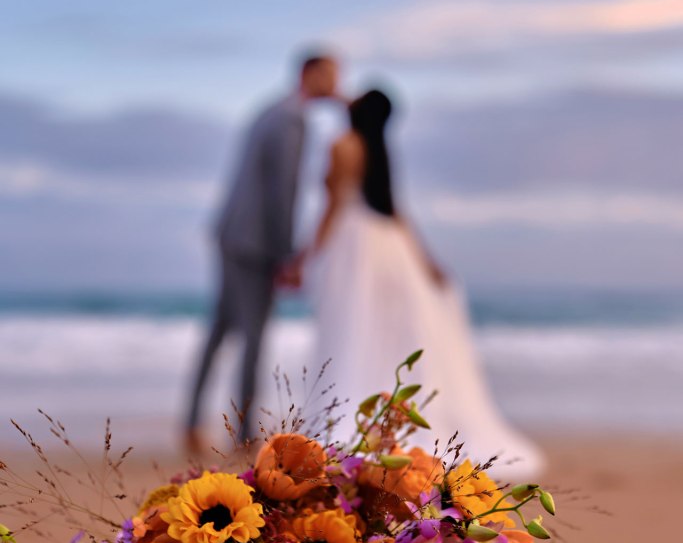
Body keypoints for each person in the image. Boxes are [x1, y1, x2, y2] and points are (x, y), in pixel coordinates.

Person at [308, 88, 544, 480]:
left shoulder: (343, 145)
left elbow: (332, 205)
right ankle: (389, 421)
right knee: (388, 335)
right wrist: (427, 262)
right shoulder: (380, 151)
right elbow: (397, 210)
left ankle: (364, 418)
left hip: (354, 245)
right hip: (389, 246)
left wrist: (309, 253)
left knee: (353, 329)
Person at [185, 53, 339, 450]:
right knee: (252, 337)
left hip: (232, 232)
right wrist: (288, 255)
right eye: (332, 75)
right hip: (254, 243)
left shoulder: (270, 110)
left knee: (220, 331)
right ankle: (245, 433)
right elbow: (282, 190)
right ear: (310, 73)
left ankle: (192, 423)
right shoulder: (293, 119)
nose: (337, 84)